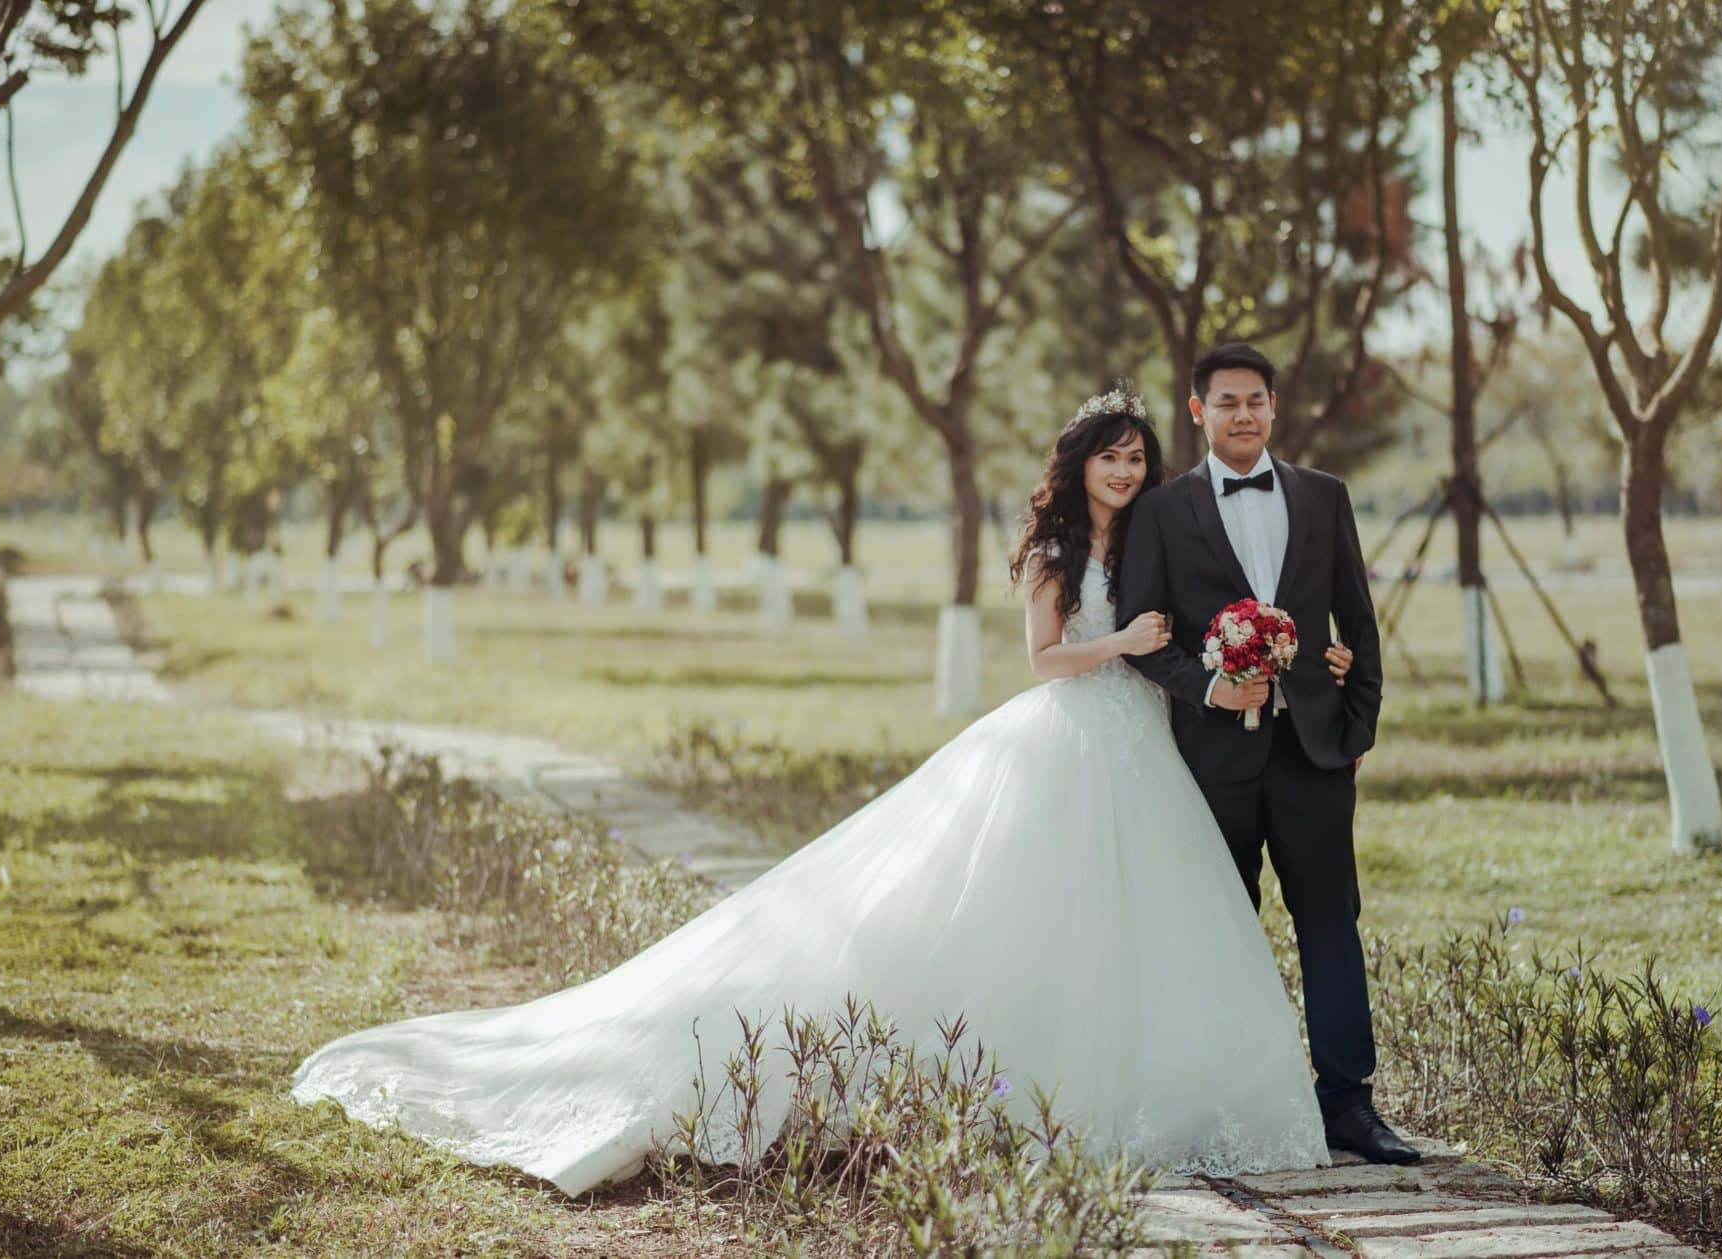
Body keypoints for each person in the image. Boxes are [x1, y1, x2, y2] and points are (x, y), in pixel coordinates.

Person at [291, 386, 1354, 1195]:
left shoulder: (1156, 534)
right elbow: (1037, 659)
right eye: (1109, 458)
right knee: (996, 912)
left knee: (1133, 926)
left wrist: (1279, 655)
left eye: (1134, 459)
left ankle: (1143, 1097)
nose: (1124, 473)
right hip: (1064, 735)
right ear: (1077, 464)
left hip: (1143, 748)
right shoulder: (1054, 546)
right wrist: (1116, 639)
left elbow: (1199, 623)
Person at [1115, 342, 1417, 1165]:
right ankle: (1225, 1103)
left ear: (1274, 407)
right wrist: (1209, 689)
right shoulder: (1163, 511)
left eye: (1255, 401)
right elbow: (1145, 637)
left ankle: (1349, 1106)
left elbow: (1359, 622)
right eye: (1226, 402)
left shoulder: (1325, 497)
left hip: (1315, 751)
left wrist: (1356, 726)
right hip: (1212, 761)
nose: (1242, 415)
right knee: (1222, 928)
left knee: (1330, 923)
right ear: (1197, 411)